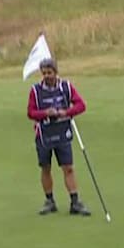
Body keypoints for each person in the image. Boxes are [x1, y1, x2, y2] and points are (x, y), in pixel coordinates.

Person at [27, 58, 89, 217]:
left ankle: (75, 202)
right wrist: (45, 113)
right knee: (46, 168)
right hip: (44, 135)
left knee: (68, 167)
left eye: (50, 72)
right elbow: (31, 113)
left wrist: (66, 112)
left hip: (62, 132)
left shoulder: (66, 87)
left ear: (56, 72)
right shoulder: (35, 91)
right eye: (44, 73)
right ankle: (50, 201)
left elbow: (81, 105)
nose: (47, 76)